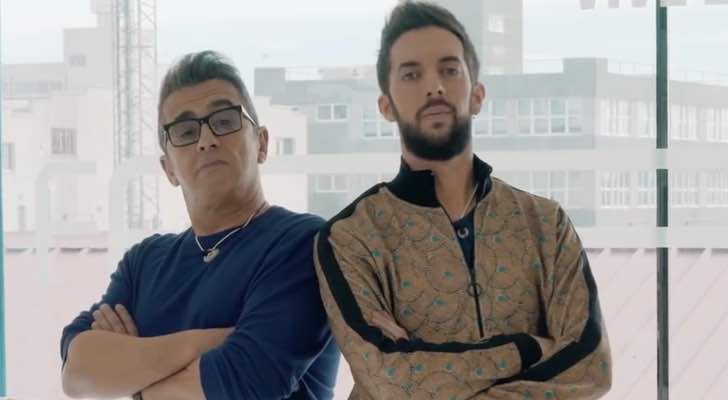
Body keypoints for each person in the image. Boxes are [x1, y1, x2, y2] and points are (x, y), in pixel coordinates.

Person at [313, 2, 612, 398]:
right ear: (386, 106)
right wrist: (530, 348)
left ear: (477, 95)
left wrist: (426, 369)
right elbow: (388, 377)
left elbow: (591, 367)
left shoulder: (545, 224)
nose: (434, 86)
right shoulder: (349, 238)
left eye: (450, 70)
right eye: (411, 74)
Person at [61, 50, 339, 400]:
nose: (207, 140)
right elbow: (77, 374)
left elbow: (249, 384)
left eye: (224, 121)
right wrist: (207, 343)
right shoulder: (144, 263)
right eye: (186, 131)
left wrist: (136, 382)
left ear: (262, 143)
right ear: (169, 169)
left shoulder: (305, 243)